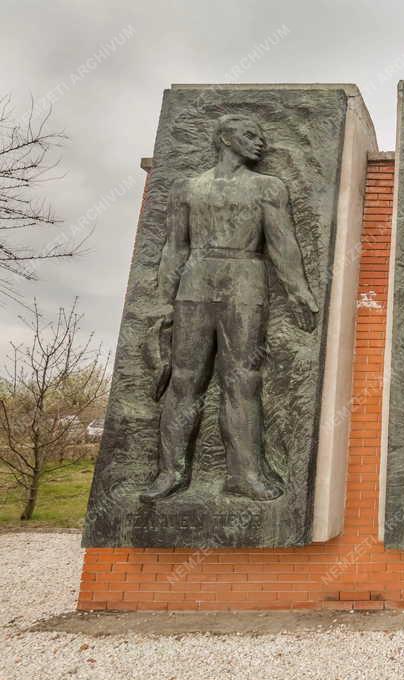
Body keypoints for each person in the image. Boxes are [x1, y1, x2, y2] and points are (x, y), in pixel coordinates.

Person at [140, 114, 319, 503]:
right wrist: (162, 302)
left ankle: (245, 474)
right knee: (184, 380)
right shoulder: (187, 188)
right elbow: (174, 248)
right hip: (195, 283)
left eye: (262, 136)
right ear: (224, 138)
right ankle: (169, 472)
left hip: (246, 282)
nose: (260, 143)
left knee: (242, 380)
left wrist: (299, 291)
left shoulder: (268, 188)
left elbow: (283, 245)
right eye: (249, 135)